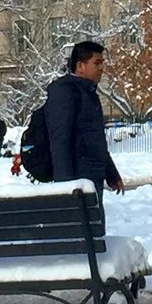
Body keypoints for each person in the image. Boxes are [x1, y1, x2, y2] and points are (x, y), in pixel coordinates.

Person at [44, 40, 126, 192]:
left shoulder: (89, 94)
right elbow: (59, 140)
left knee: (96, 216)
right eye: (97, 63)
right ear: (80, 66)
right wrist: (66, 187)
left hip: (93, 176)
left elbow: (95, 140)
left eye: (102, 63)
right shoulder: (65, 92)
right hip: (77, 179)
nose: (102, 68)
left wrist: (111, 174)